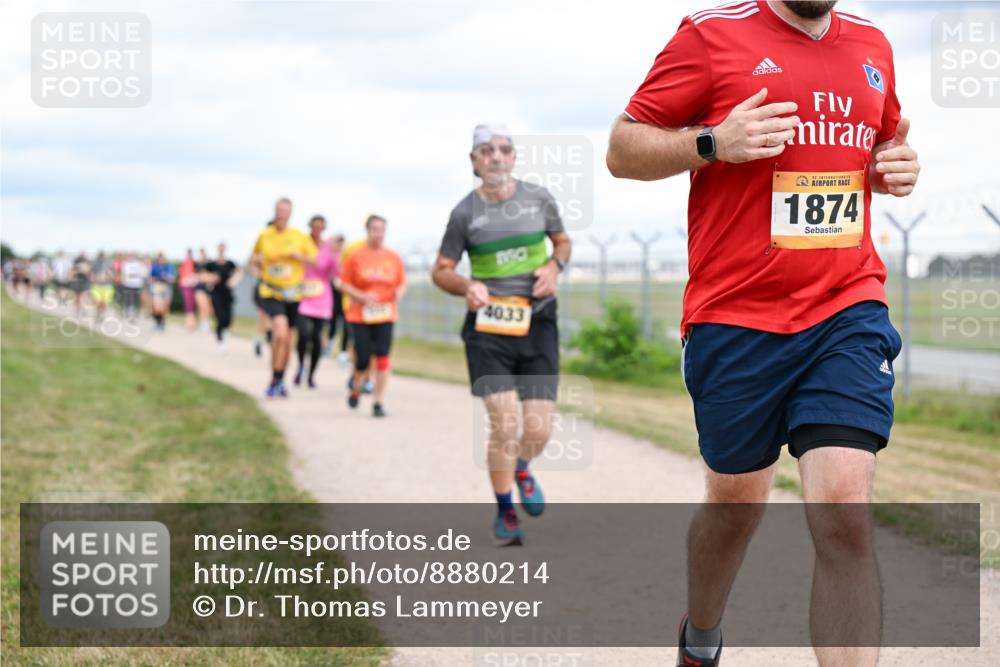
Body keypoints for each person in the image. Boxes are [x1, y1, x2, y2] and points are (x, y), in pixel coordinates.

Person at [606, 2, 921, 665]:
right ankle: (700, 637)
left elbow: (882, 146)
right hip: (736, 318)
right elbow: (622, 149)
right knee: (736, 508)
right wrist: (711, 142)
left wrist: (892, 166)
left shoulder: (873, 44)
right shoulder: (711, 35)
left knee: (844, 510)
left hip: (845, 306)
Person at [431, 124, 571, 546]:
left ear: (514, 157)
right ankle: (505, 512)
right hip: (488, 329)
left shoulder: (539, 199)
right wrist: (466, 285)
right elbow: (441, 270)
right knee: (505, 423)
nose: (496, 156)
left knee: (538, 430)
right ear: (474, 161)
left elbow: (562, 242)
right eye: (487, 150)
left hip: (538, 321)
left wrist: (554, 267)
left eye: (505, 149)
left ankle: (522, 467)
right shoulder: (463, 214)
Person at [339, 215, 406, 417]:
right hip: (361, 315)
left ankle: (378, 402)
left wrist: (399, 293)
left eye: (382, 230)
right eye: (374, 229)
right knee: (363, 358)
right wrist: (361, 296)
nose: (378, 234)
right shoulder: (355, 256)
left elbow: (402, 282)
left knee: (383, 357)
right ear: (367, 231)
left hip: (385, 314)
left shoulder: (393, 257)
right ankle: (357, 386)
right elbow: (344, 284)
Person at [250, 197, 316, 397]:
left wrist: (300, 257)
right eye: (279, 210)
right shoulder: (264, 235)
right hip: (271, 291)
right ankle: (274, 377)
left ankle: (279, 379)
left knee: (287, 340)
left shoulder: (299, 236)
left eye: (285, 211)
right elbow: (253, 261)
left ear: (290, 214)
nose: (282, 214)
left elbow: (316, 260)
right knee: (279, 332)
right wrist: (257, 264)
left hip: (293, 294)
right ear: (274, 211)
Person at [294, 215, 338, 388]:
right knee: (303, 335)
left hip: (322, 296)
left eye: (321, 227)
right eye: (315, 226)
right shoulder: (302, 242)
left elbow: (335, 271)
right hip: (304, 295)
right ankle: (300, 366)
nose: (317, 230)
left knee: (317, 338)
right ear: (310, 226)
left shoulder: (328, 246)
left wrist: (335, 254)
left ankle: (311, 375)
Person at [205, 243, 241, 350]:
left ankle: (224, 331)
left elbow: (239, 273)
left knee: (228, 318)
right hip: (216, 293)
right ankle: (219, 338)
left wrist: (234, 280)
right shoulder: (211, 264)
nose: (221, 250)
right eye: (220, 248)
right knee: (220, 316)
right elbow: (202, 275)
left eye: (223, 248)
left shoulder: (230, 264)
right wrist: (211, 278)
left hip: (227, 293)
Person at [251, 218, 277, 357]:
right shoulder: (261, 247)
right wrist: (262, 275)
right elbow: (252, 265)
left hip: (280, 289)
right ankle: (264, 339)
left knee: (272, 318)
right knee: (264, 315)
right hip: (264, 287)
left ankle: (262, 339)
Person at [326, 234, 348, 363]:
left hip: (345, 295)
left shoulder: (346, 257)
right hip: (333, 293)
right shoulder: (330, 256)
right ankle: (330, 343)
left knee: (346, 325)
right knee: (333, 322)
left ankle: (343, 352)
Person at [148, 253, 176, 331]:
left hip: (166, 288)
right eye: (160, 259)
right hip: (157, 287)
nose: (161, 260)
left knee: (164, 307)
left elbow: (172, 279)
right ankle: (157, 323)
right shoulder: (154, 267)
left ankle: (162, 323)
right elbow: (149, 279)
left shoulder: (168, 267)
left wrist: (165, 277)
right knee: (157, 307)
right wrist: (156, 279)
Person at [119, 252, 147, 321]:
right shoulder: (126, 264)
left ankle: (135, 314)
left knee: (136, 301)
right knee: (128, 300)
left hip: (137, 285)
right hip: (127, 285)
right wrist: (135, 274)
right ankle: (127, 313)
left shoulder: (140, 265)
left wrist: (134, 274)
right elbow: (126, 273)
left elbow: (143, 274)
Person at [89, 251, 115, 322]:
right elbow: (91, 274)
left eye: (103, 257)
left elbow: (113, 275)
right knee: (97, 301)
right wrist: (94, 278)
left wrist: (109, 275)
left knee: (105, 302)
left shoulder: (109, 264)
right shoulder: (95, 264)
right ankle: (98, 314)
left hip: (107, 286)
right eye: (100, 257)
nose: (102, 258)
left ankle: (102, 315)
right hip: (97, 285)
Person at [193, 248, 214, 333]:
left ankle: (207, 322)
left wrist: (209, 281)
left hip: (209, 288)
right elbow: (196, 276)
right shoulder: (196, 264)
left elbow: (212, 275)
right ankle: (204, 323)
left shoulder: (210, 264)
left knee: (209, 308)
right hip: (200, 288)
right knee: (202, 306)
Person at [178, 249, 198, 331]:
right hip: (185, 285)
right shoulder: (184, 263)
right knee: (188, 304)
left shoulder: (194, 263)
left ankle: (192, 322)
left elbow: (196, 274)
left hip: (193, 285)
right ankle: (189, 322)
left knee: (193, 304)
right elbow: (182, 274)